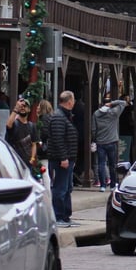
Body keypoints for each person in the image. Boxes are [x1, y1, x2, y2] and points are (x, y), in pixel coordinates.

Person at [47, 90, 79, 227]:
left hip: (68, 158)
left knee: (67, 188)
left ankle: (65, 216)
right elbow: (58, 138)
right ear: (70, 101)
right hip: (61, 160)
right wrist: (63, 157)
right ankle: (58, 216)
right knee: (60, 188)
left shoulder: (64, 116)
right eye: (74, 100)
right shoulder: (59, 117)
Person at [91, 94, 126, 192]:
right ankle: (112, 185)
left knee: (101, 164)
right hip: (112, 141)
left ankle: (102, 185)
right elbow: (123, 103)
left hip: (100, 142)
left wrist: (96, 138)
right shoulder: (114, 113)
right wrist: (112, 103)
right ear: (110, 104)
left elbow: (93, 129)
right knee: (112, 164)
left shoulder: (96, 114)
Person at [5, 96, 38, 173]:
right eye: (21, 106)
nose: (23, 108)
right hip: (14, 161)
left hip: (27, 163)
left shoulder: (32, 126)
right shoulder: (14, 123)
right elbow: (8, 125)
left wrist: (32, 158)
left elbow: (34, 144)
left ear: (29, 109)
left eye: (25, 106)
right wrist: (16, 109)